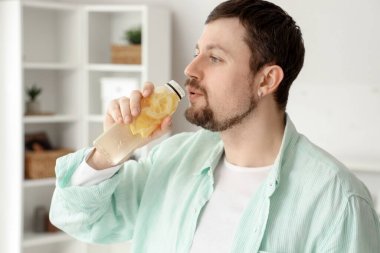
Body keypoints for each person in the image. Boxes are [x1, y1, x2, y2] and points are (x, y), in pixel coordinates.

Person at [50, 0, 380, 252]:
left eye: (215, 57)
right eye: (196, 53)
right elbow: (77, 218)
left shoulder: (338, 202)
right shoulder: (171, 159)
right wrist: (112, 150)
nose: (190, 68)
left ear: (266, 80)